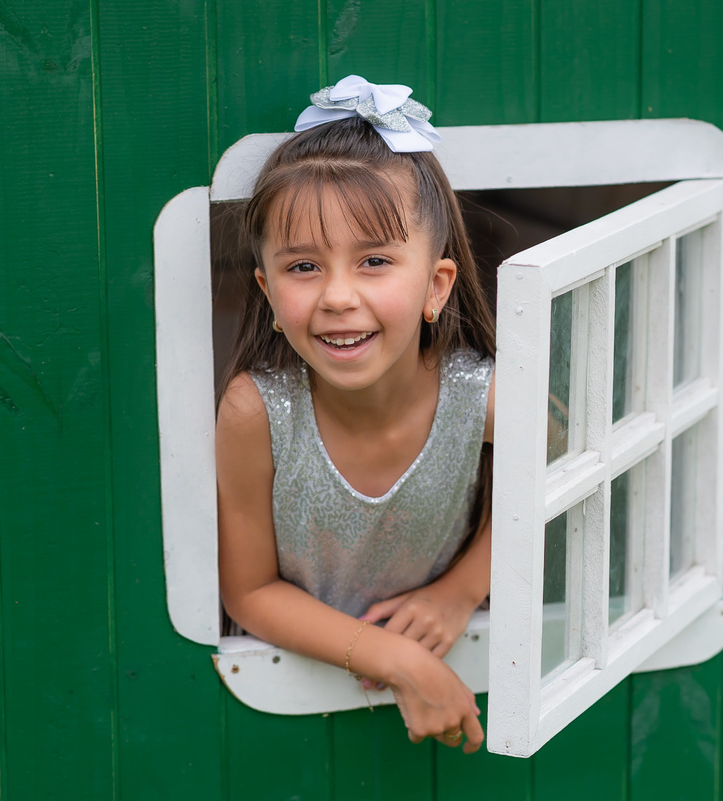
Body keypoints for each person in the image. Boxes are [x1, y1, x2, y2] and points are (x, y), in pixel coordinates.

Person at [215, 76, 495, 754]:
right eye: (303, 267)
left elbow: (561, 488)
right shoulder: (256, 411)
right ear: (267, 293)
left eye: (374, 260)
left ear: (436, 286)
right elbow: (249, 591)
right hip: (278, 711)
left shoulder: (482, 398)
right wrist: (397, 659)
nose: (338, 296)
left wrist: (459, 592)